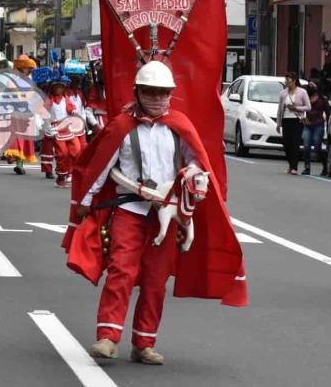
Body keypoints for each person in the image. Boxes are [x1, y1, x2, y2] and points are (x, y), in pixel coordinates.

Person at [62, 61, 247, 365]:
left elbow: (198, 161)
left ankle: (144, 342)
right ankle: (108, 337)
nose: (157, 98)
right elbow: (101, 166)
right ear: (138, 92)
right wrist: (85, 201)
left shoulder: (179, 125)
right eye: (151, 92)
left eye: (163, 93)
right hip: (128, 207)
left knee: (156, 279)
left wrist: (191, 174)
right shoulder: (120, 126)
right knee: (122, 269)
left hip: (166, 213)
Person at [4, 55, 39, 175]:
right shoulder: (12, 79)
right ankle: (11, 155)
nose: (29, 69)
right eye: (27, 67)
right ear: (21, 67)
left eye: (30, 67)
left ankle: (19, 163)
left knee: (24, 138)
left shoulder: (31, 79)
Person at [47, 76, 82, 189]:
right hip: (56, 128)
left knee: (76, 150)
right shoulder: (48, 101)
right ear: (53, 88)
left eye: (61, 87)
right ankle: (61, 177)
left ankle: (71, 172)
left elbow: (72, 109)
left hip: (68, 126)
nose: (59, 89)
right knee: (62, 153)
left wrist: (74, 112)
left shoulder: (66, 99)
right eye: (57, 87)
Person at [276, 72, 310, 175]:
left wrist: (296, 108)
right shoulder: (283, 93)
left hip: (297, 120)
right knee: (287, 144)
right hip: (286, 120)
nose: (287, 83)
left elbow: (308, 107)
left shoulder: (302, 92)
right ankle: (291, 165)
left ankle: (294, 167)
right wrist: (278, 123)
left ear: (294, 81)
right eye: (285, 81)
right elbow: (279, 109)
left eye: (288, 81)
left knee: (295, 144)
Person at [301, 86, 331, 176]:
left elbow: (328, 112)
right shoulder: (305, 97)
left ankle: (325, 166)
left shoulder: (322, 99)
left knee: (318, 147)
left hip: (318, 125)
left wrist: (328, 124)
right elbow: (300, 110)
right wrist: (303, 118)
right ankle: (307, 168)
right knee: (306, 147)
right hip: (307, 125)